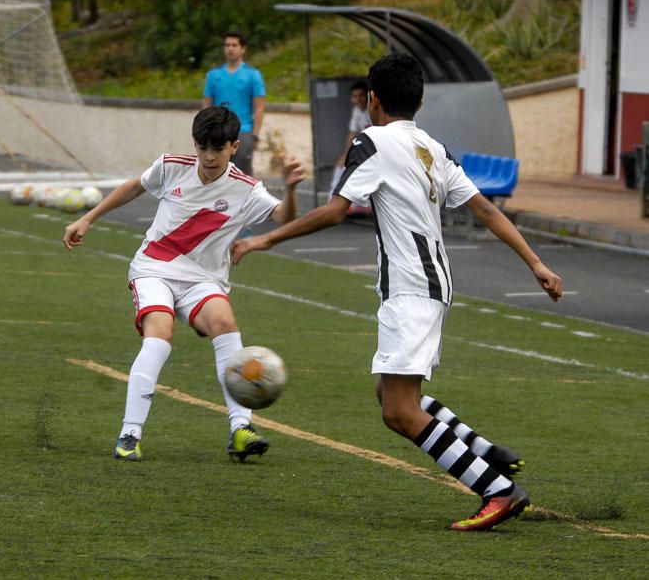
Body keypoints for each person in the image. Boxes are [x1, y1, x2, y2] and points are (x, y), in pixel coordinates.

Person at [232, 53, 563, 531]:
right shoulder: (434, 147)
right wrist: (536, 263)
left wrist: (263, 238)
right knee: (389, 390)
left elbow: (335, 211)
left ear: (372, 100)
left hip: (410, 287)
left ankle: (497, 490)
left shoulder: (370, 141)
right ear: (420, 101)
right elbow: (486, 211)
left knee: (398, 412)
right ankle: (486, 452)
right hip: (433, 282)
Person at [63, 106, 305, 463]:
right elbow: (134, 187)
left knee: (225, 323)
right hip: (154, 269)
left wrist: (291, 188)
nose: (208, 156)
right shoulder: (171, 165)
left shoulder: (247, 189)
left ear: (234, 146)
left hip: (203, 281)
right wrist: (88, 218)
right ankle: (130, 433)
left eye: (218, 148)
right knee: (159, 335)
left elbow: (284, 216)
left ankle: (241, 429)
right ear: (195, 143)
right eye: (202, 147)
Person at [203, 30, 265, 176]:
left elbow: (259, 108)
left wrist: (254, 135)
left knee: (242, 175)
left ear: (242, 49)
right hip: (218, 132)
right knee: (218, 174)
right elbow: (207, 107)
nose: (230, 48)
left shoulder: (253, 75)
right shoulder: (213, 75)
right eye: (227, 45)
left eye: (234, 45)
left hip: (243, 132)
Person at [329, 81, 372, 217]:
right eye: (354, 96)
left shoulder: (374, 109)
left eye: (361, 96)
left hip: (374, 150)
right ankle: (333, 202)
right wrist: (346, 154)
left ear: (368, 96)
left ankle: (361, 205)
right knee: (341, 167)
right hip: (363, 149)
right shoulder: (357, 110)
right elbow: (352, 133)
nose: (358, 99)